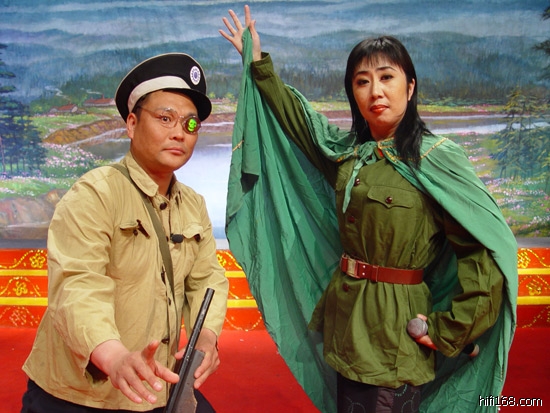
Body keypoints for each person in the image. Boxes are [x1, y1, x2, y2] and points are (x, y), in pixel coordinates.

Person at [220, 6, 517, 413]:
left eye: (387, 77)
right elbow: (302, 123)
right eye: (362, 82)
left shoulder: (437, 158)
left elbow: (485, 252)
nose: (375, 91)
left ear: (410, 87)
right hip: (347, 322)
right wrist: (258, 65)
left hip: (395, 333)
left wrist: (450, 330)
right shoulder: (350, 155)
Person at [21, 53, 229, 412]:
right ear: (132, 124)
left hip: (157, 387)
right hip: (83, 394)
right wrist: (113, 355)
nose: (179, 132)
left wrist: (207, 337)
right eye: (165, 118)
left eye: (191, 124)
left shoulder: (193, 204)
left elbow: (207, 278)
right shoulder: (95, 194)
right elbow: (77, 284)